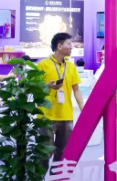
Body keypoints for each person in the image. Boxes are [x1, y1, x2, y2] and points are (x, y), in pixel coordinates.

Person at [36, 33, 85, 169]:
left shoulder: (71, 66)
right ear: (59, 46)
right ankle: (39, 179)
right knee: (44, 152)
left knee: (63, 153)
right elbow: (34, 88)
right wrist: (48, 86)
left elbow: (76, 89)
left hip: (66, 115)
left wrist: (83, 109)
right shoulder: (43, 65)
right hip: (46, 115)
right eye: (69, 44)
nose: (72, 47)